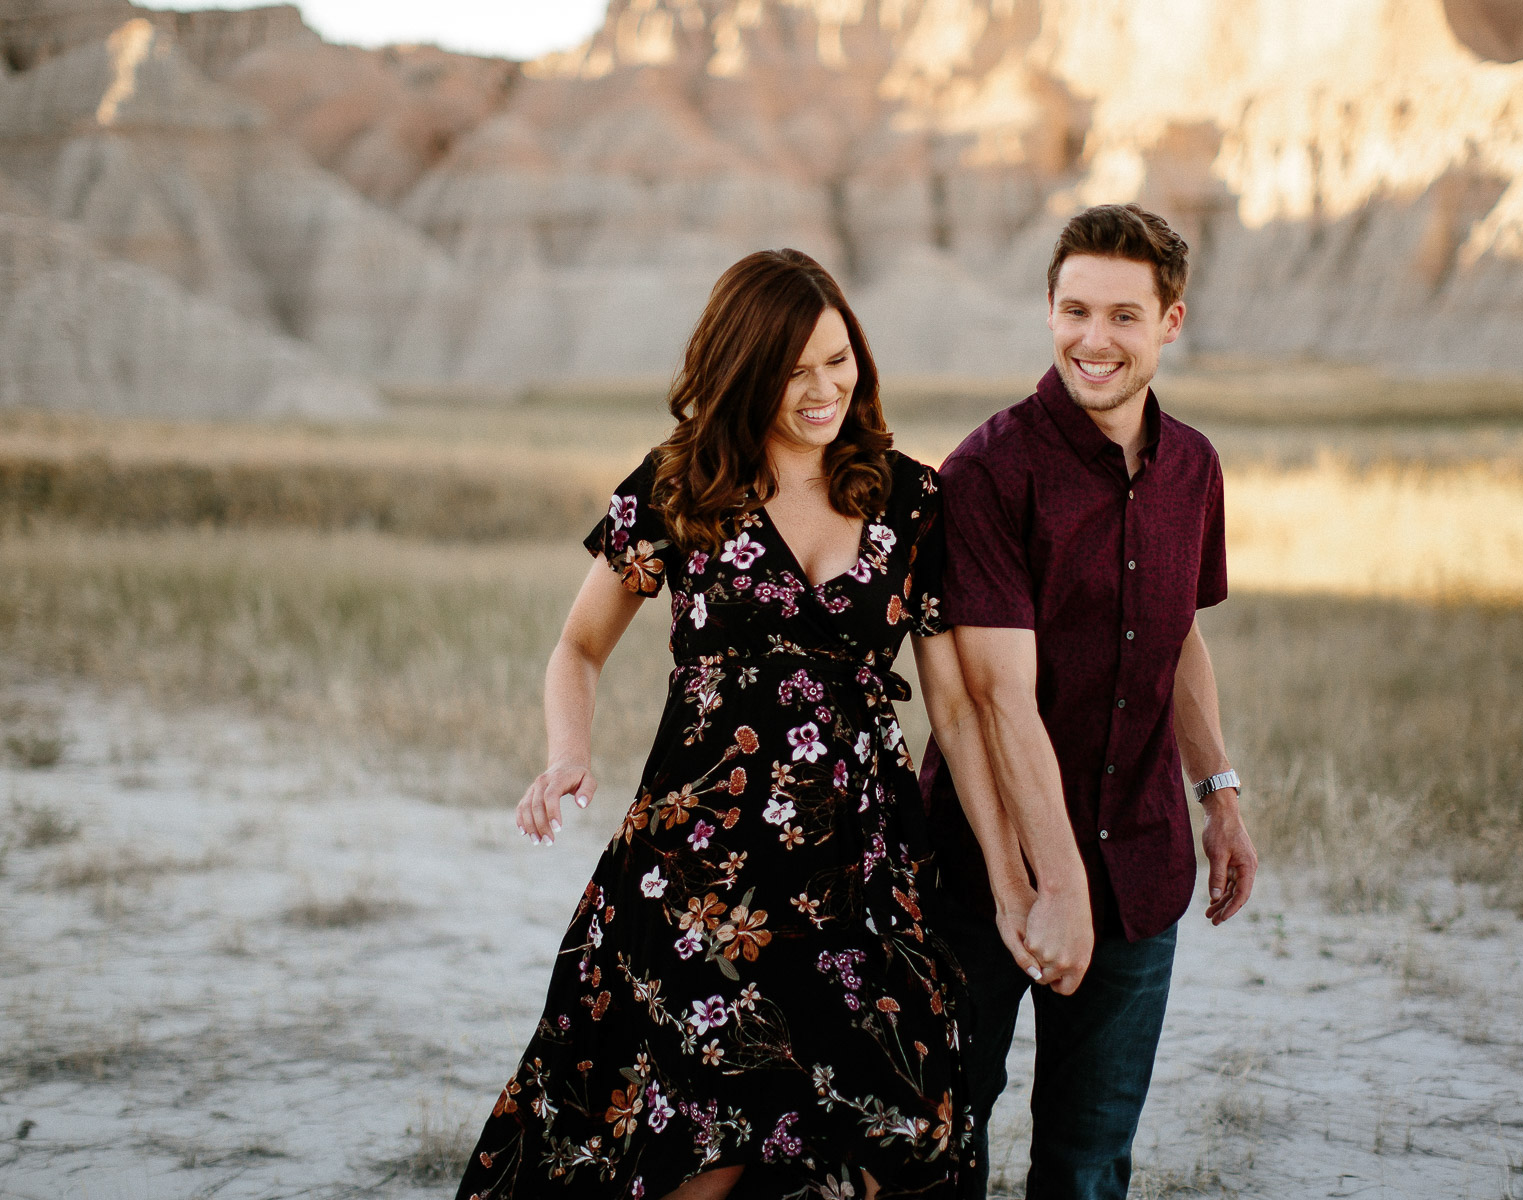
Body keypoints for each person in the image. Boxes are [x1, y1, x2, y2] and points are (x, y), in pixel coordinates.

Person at [457, 249, 1005, 1200]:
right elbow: (577, 649)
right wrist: (567, 755)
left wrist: (1007, 867)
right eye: (794, 370)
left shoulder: (912, 500)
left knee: (893, 1128)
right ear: (745, 369)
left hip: (862, 873)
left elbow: (954, 709)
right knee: (701, 1141)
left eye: (840, 361)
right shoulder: (681, 487)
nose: (824, 388)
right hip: (701, 880)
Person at [918, 203, 1260, 1200]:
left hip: (1140, 868)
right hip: (981, 876)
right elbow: (994, 700)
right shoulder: (987, 473)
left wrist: (1220, 794)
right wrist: (1053, 887)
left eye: (1121, 315)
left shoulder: (1193, 466)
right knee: (941, 1142)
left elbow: (1178, 633)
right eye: (1073, 311)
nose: (1092, 340)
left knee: (1090, 1165)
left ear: (1171, 322)